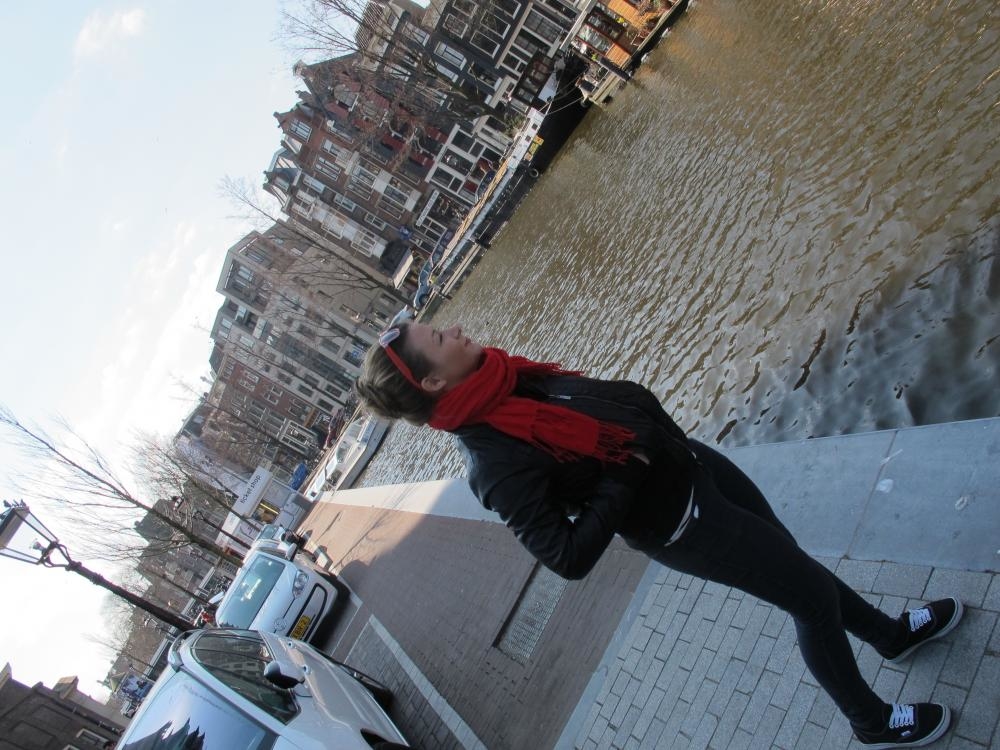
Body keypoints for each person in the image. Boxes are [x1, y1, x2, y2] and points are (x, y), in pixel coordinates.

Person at [355, 322, 965, 748]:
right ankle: (870, 721)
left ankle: (888, 636)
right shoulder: (492, 464)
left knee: (794, 565)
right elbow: (565, 556)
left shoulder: (507, 380)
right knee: (809, 599)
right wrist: (626, 474)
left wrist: (651, 443)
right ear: (432, 384)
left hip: (697, 468)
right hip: (686, 525)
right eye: (440, 339)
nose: (455, 330)